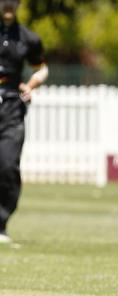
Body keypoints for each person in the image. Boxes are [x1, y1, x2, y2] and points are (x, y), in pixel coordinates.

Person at [0, 0, 48, 245]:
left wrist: (29, 86)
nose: (7, 4)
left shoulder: (28, 38)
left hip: (11, 108)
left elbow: (41, 69)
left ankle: (1, 224)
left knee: (8, 166)